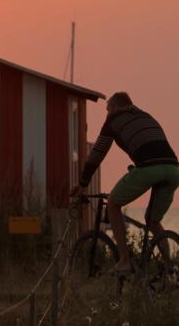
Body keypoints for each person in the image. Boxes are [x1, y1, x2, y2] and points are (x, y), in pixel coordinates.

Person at [71, 92, 179, 273]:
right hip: (174, 169)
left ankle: (124, 261)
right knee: (153, 221)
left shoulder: (113, 120)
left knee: (113, 204)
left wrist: (82, 184)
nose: (106, 114)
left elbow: (96, 154)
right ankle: (170, 269)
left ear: (114, 107)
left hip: (148, 168)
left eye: (107, 110)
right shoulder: (145, 115)